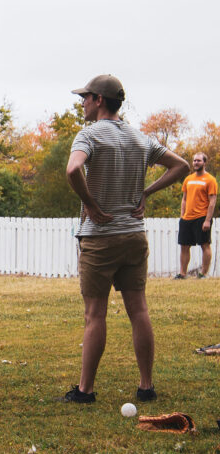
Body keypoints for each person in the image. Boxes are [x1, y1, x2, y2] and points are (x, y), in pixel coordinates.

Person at [63, 75, 188, 404]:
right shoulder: (140, 138)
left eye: (85, 97)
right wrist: (145, 192)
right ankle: (146, 386)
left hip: (100, 238)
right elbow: (181, 165)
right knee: (139, 310)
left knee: (95, 315)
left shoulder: (89, 135)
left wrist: (90, 204)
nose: (82, 102)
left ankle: (85, 391)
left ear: (99, 100)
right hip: (134, 235)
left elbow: (73, 169)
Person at [175, 152, 216, 279]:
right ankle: (182, 274)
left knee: (204, 245)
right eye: (194, 161)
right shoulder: (188, 179)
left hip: (202, 217)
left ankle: (203, 274)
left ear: (204, 162)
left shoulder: (210, 180)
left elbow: (212, 201)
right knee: (184, 246)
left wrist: (207, 220)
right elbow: (184, 199)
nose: (196, 163)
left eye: (198, 161)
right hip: (187, 218)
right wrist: (182, 216)